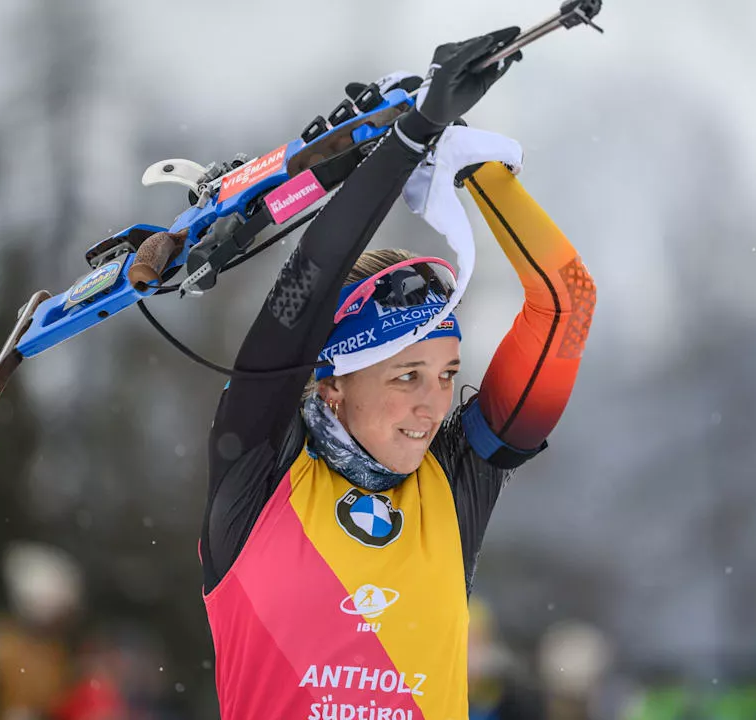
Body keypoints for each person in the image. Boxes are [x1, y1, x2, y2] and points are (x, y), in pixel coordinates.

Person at [199, 26, 597, 720]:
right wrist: (414, 134)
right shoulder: (260, 472)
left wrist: (472, 164)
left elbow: (567, 302)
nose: (432, 406)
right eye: (406, 376)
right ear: (333, 382)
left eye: (446, 375)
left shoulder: (454, 482)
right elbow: (303, 291)